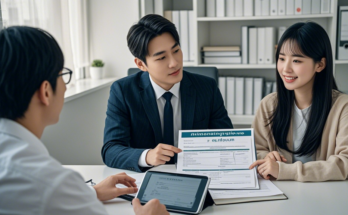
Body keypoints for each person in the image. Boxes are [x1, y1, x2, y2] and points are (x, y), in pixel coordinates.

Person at [0, 26, 168, 215]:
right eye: (61, 74)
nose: (64, 86)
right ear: (45, 91)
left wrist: (89, 192)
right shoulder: (50, 183)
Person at [102, 14, 233, 172]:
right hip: (147, 179)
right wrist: (147, 156)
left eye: (176, 50)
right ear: (141, 64)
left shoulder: (206, 87)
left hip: (197, 175)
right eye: (162, 57)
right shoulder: (123, 91)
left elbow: (227, 142)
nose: (174, 63)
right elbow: (111, 150)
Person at [249, 22, 348, 182]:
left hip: (326, 197)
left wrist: (286, 171)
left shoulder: (343, 107)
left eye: (296, 61)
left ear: (320, 64)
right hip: (281, 195)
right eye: (281, 59)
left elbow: (344, 163)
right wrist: (268, 157)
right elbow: (255, 151)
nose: (285, 68)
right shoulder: (269, 105)